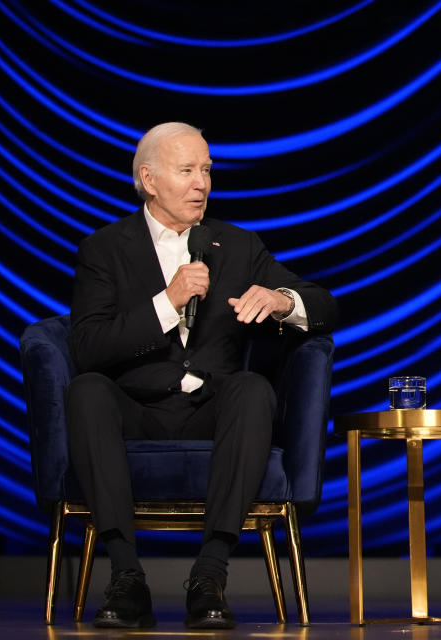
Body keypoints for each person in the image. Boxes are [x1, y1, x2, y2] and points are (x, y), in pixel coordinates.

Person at [66, 122, 338, 629]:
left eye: (207, 170)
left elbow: (323, 303)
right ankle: (127, 577)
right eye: (187, 170)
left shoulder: (237, 246)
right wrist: (166, 302)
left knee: (254, 389)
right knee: (85, 391)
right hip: (137, 412)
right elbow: (86, 347)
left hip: (214, 413)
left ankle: (209, 575)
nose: (202, 183)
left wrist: (282, 301)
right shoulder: (103, 250)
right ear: (149, 179)